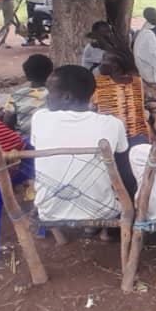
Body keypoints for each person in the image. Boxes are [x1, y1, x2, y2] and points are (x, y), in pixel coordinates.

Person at [30, 65, 131, 226]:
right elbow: (123, 168)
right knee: (123, 158)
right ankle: (105, 228)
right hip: (103, 211)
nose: (46, 97)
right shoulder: (112, 123)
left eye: (49, 91)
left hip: (49, 211)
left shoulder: (39, 118)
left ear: (67, 97)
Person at [0, 54, 53, 137]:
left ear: (27, 76)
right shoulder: (57, 94)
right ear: (51, 73)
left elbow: (8, 121)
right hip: (48, 137)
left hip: (24, 140)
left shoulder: (18, 95)